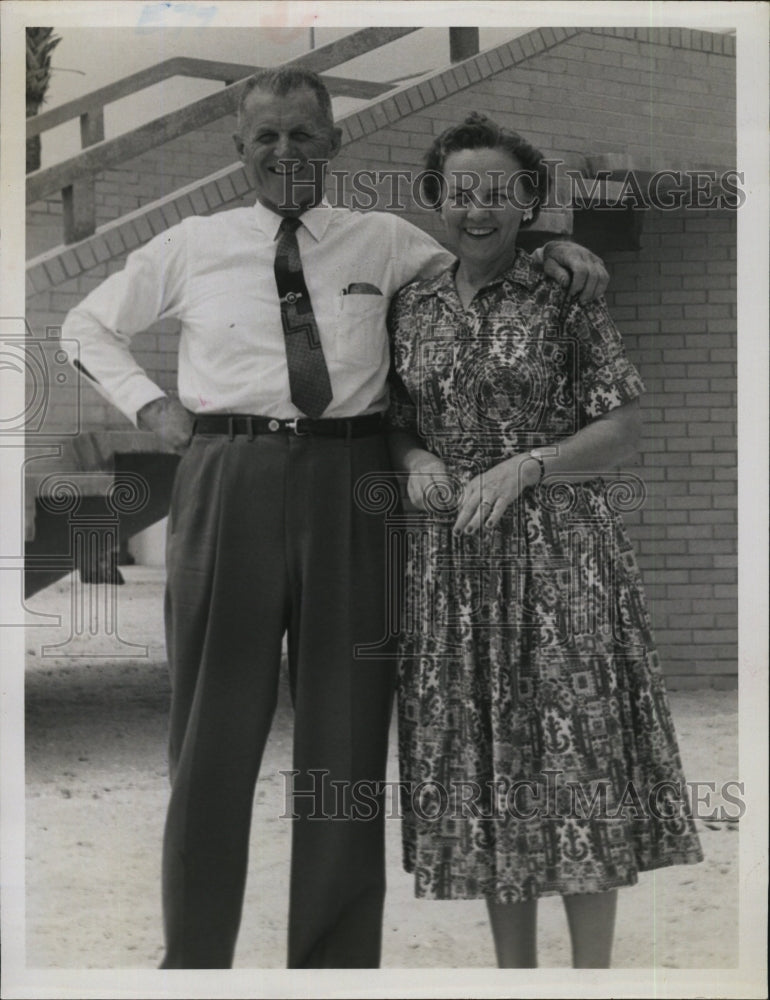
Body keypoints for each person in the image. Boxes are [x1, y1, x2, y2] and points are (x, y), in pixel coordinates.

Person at [62, 70, 609, 969]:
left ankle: (332, 965)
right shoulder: (193, 244)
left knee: (347, 736)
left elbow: (483, 256)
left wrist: (552, 242)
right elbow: (85, 325)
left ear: (334, 144)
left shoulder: (385, 241)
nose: (286, 153)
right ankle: (194, 961)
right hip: (228, 480)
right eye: (268, 136)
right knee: (211, 733)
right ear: (239, 148)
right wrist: (151, 409)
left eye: (305, 136)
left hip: (355, 484)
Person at [387, 112, 703, 968]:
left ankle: (591, 978)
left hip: (565, 560)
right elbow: (398, 418)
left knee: (578, 760)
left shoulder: (567, 291)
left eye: (499, 192)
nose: (478, 209)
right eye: (461, 193)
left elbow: (622, 426)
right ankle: (515, 979)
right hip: (456, 566)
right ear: (437, 199)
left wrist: (529, 464)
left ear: (530, 202)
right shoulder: (410, 303)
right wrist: (414, 457)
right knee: (492, 775)